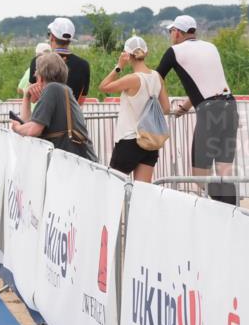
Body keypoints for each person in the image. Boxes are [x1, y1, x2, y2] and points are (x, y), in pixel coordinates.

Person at [156, 14, 239, 205]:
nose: (170, 35)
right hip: (229, 106)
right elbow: (207, 82)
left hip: (210, 112)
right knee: (224, 172)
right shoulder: (211, 47)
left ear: (177, 32)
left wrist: (165, 105)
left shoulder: (174, 51)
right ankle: (233, 213)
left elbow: (157, 77)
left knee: (199, 176)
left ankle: (224, 209)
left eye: (171, 31)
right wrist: (185, 107)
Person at [98, 36, 170, 183]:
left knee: (114, 186)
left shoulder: (132, 79)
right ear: (146, 53)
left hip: (129, 139)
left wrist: (119, 66)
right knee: (142, 192)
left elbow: (103, 87)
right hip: (150, 140)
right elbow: (166, 108)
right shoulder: (157, 77)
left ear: (127, 55)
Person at [13, 52, 97, 160]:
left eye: (36, 77)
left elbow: (33, 130)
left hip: (74, 162)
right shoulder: (62, 89)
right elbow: (28, 123)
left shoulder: (52, 89)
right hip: (77, 160)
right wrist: (27, 96)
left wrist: (17, 128)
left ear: (41, 78)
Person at [27, 17, 90, 103]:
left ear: (52, 37)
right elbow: (81, 101)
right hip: (72, 115)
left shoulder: (38, 61)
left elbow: (32, 98)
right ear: (70, 40)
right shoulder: (84, 65)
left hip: (46, 115)